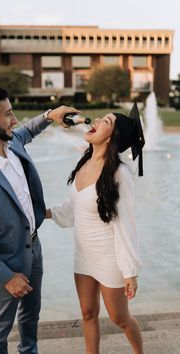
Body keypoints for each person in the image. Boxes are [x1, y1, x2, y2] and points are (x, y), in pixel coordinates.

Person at [0, 85, 78, 354]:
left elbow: (28, 130)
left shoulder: (13, 142)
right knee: (0, 327)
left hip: (34, 248)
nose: (15, 120)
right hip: (6, 261)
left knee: (31, 315)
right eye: (8, 114)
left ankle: (28, 351)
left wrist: (49, 116)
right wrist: (7, 277)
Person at [46, 103, 145, 354]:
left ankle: (139, 352)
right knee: (88, 313)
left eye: (106, 122)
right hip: (83, 255)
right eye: (101, 118)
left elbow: (126, 223)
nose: (97, 120)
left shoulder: (120, 174)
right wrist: (45, 213)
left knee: (119, 318)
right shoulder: (84, 162)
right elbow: (73, 205)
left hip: (109, 257)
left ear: (113, 138)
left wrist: (129, 270)